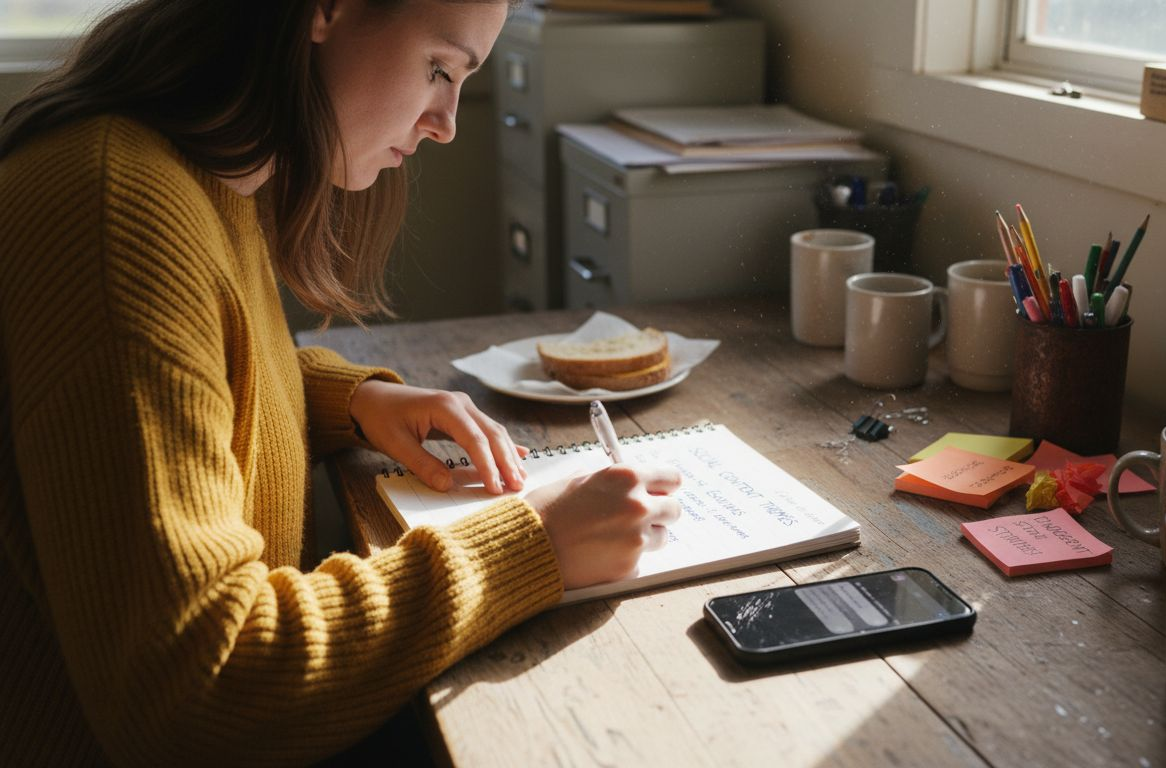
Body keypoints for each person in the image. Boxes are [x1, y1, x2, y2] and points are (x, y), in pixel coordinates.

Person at [0, 0, 681, 764]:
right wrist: (533, 545)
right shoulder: (119, 211)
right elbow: (199, 686)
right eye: (439, 68)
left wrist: (353, 400)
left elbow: (189, 380)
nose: (447, 124)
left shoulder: (198, 172)